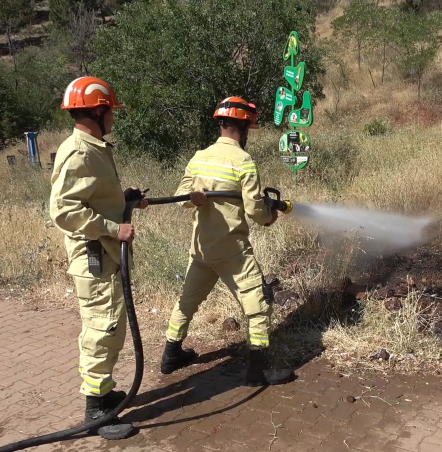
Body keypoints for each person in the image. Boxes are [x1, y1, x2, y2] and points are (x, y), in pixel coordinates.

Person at [160, 96, 293, 386]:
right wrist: (271, 216)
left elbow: (181, 198)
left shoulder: (200, 156)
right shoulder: (243, 161)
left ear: (221, 124)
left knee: (187, 302)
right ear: (243, 127)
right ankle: (257, 372)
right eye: (249, 128)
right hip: (233, 251)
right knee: (258, 306)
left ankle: (171, 354)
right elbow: (256, 211)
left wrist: (196, 194)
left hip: (202, 249)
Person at [49, 76, 147, 439]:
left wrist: (125, 198)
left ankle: (104, 395)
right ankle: (95, 410)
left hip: (105, 255)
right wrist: (112, 226)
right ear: (98, 110)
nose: (114, 118)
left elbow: (93, 195)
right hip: (95, 257)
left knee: (111, 327)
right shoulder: (79, 151)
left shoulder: (95, 147)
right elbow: (63, 211)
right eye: (111, 111)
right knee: (101, 330)